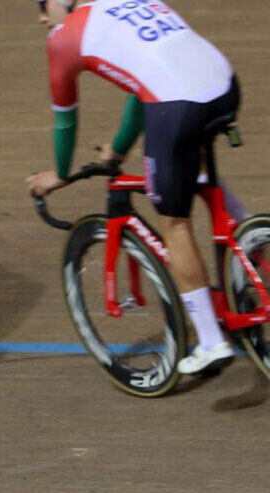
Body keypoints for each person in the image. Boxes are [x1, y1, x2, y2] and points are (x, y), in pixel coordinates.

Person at [24, 0, 244, 374]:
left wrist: (60, 174)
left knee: (174, 222)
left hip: (178, 105)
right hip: (225, 84)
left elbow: (64, 121)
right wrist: (119, 151)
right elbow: (138, 88)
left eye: (42, 6)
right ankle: (252, 238)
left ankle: (210, 341)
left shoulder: (62, 38)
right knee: (195, 167)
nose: (42, 17)